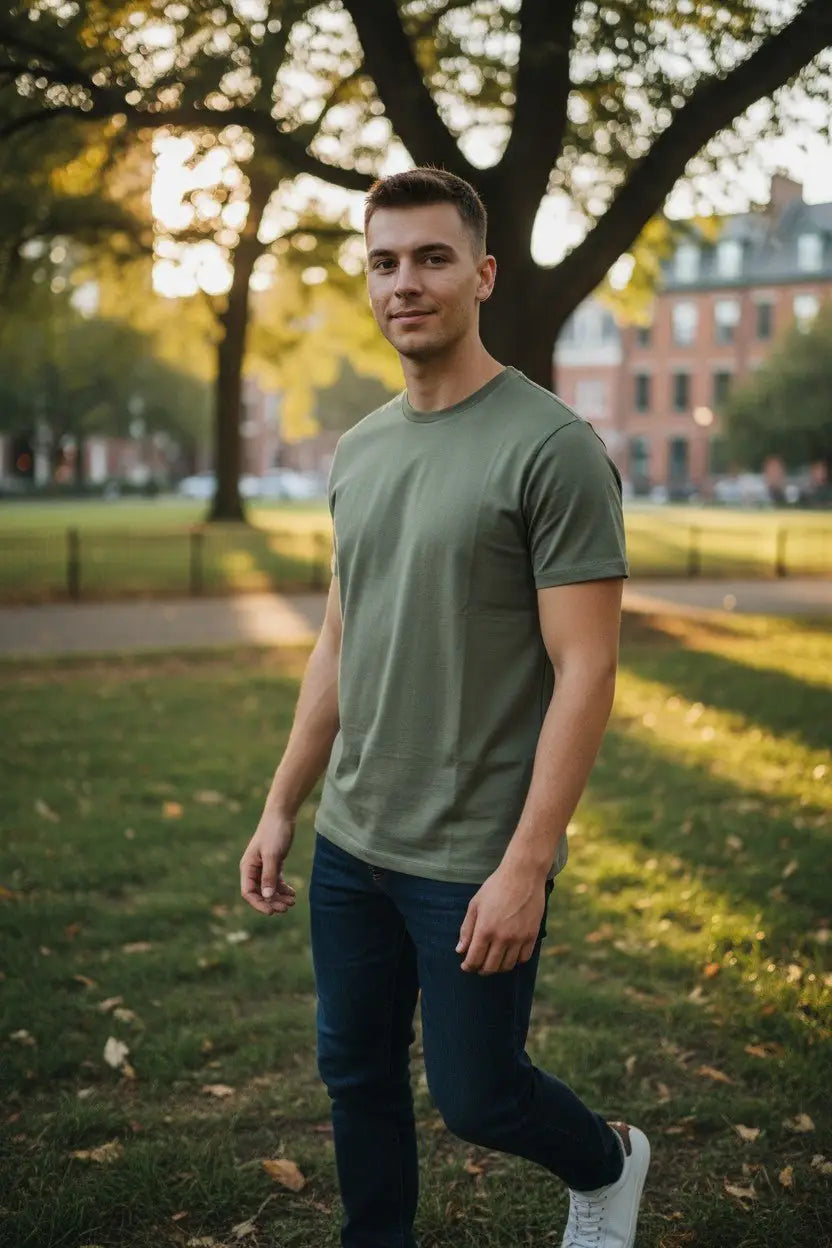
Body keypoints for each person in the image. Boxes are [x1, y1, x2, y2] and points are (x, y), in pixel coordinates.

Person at [240, 167, 650, 1248]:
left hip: (472, 851)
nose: (404, 283)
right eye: (384, 261)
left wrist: (527, 862)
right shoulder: (360, 448)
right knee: (355, 1077)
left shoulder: (551, 447)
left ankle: (608, 1164)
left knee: (480, 1099)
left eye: (429, 258)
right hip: (353, 843)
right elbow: (341, 635)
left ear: (481, 271)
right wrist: (285, 803)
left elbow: (587, 672)